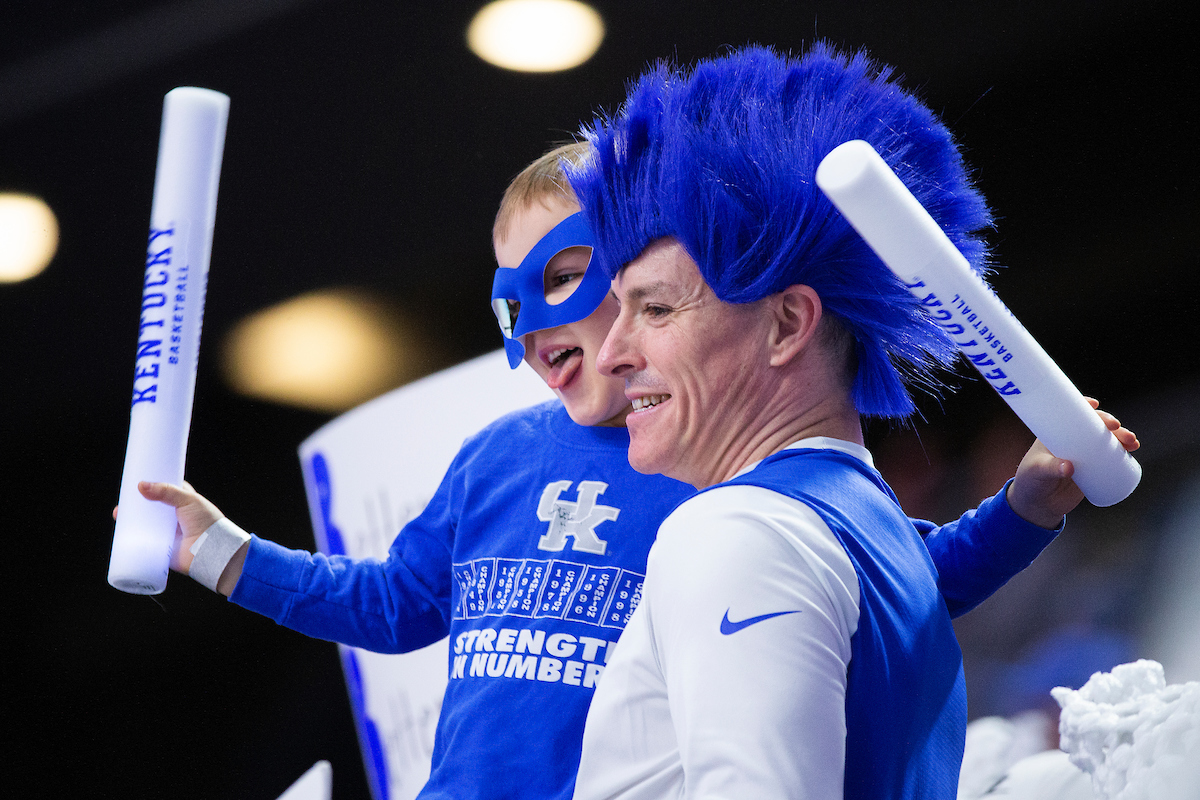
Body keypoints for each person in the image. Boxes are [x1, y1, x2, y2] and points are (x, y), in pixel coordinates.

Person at [126, 136, 1133, 799]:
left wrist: (1025, 504)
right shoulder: (496, 457)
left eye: (569, 276)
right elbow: (395, 602)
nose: (537, 323)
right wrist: (216, 548)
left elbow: (902, 578)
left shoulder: (733, 474)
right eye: (509, 298)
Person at [563, 44, 1140, 799]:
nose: (609, 355)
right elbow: (920, 583)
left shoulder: (741, 533)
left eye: (656, 308)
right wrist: (1020, 513)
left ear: (786, 324)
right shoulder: (855, 520)